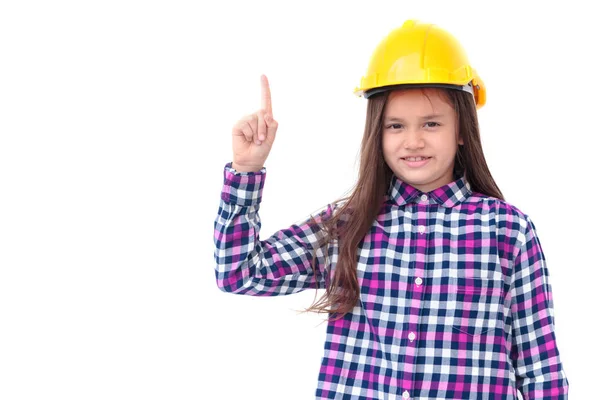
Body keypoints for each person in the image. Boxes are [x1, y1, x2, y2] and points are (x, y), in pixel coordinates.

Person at [213, 19, 569, 399]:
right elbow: (239, 272)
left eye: (431, 123)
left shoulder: (507, 230)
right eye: (395, 126)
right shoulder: (347, 226)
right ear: (377, 134)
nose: (412, 141)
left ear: (462, 129)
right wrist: (246, 171)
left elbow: (539, 367)